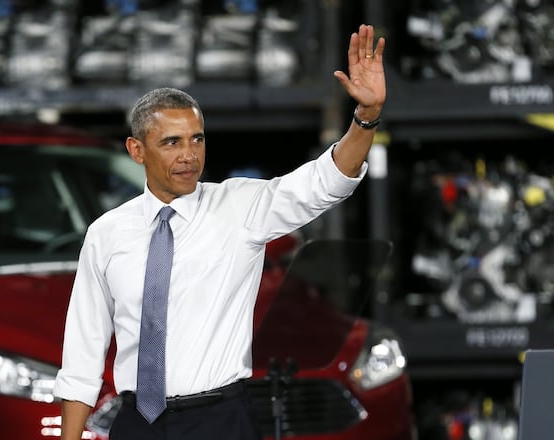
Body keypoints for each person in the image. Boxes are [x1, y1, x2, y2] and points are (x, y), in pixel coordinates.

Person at [53, 23, 386, 440]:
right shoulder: (107, 233)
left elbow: (325, 181)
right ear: (136, 150)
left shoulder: (240, 207)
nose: (189, 155)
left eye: (197, 139)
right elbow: (82, 351)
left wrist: (366, 117)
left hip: (221, 421)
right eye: (172, 142)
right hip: (136, 423)